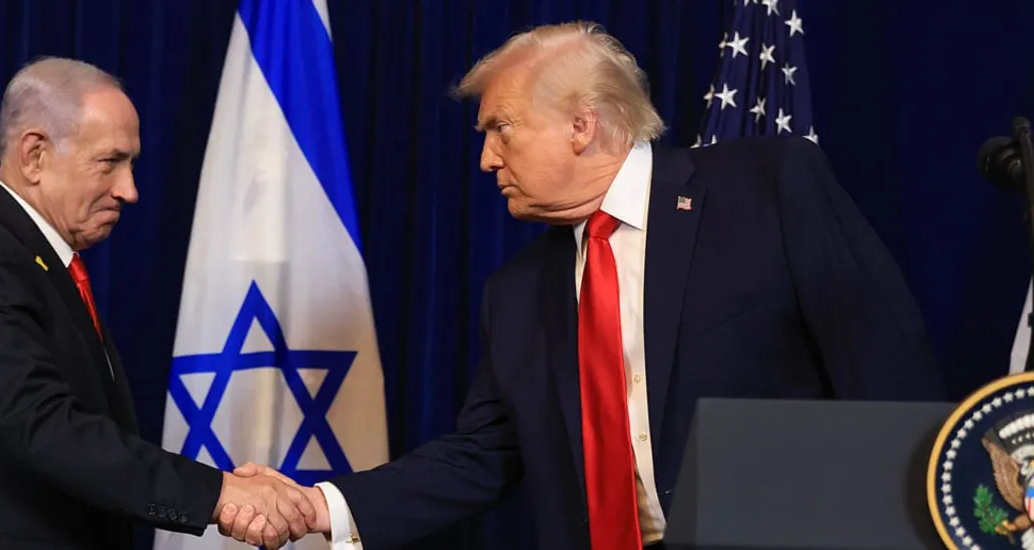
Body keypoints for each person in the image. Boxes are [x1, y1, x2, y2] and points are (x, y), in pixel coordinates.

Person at [219, 20, 948, 550]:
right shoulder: (515, 293)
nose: (484, 159)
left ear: (581, 124)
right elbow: (480, 457)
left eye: (500, 129)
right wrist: (322, 506)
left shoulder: (767, 190)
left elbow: (888, 375)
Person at [0, 57, 315, 550]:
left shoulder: (35, 257)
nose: (129, 190)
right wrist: (221, 493)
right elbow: (45, 428)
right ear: (35, 156)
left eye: (131, 164)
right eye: (110, 162)